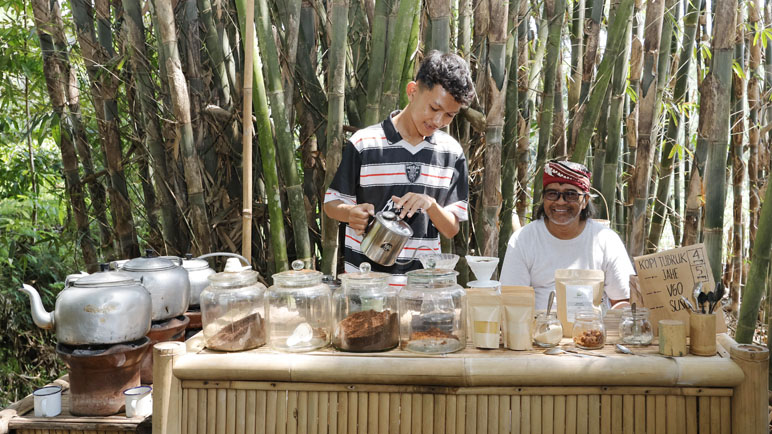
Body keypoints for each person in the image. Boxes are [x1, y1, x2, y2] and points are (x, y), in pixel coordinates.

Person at [323, 51, 475, 286]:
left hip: (422, 290)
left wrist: (431, 205)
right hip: (366, 286)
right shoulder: (365, 143)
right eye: (434, 108)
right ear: (412, 91)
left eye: (449, 116)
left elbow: (451, 228)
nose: (438, 121)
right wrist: (350, 214)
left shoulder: (451, 153)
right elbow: (331, 204)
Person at [499, 160, 634, 310]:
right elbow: (512, 301)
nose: (560, 202)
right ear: (544, 199)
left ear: (585, 201)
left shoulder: (606, 240)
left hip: (593, 329)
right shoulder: (523, 240)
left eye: (570, 195)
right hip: (539, 329)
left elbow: (623, 301)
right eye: (552, 194)